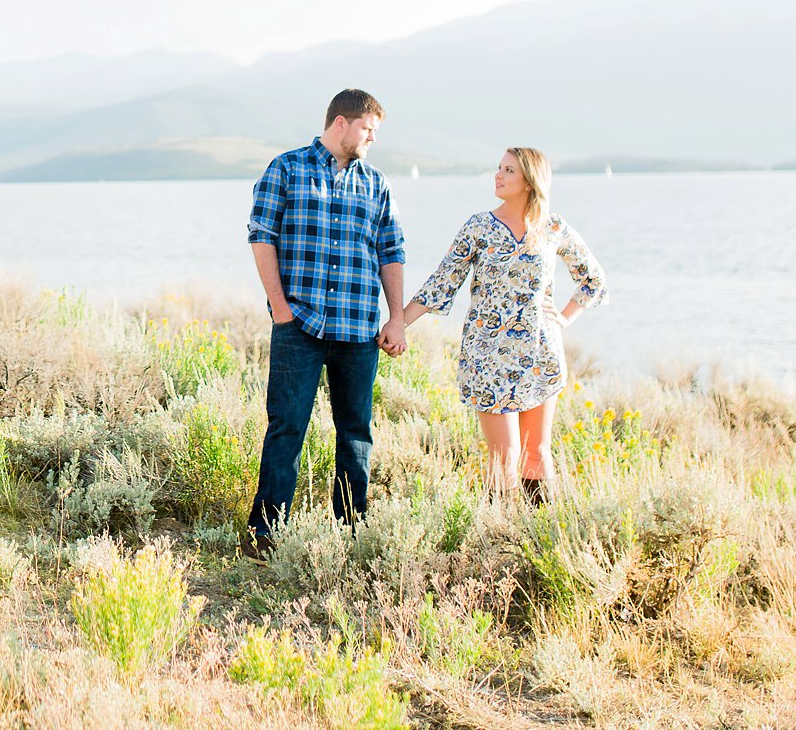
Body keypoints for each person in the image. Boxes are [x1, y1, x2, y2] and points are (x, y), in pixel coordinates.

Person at [388, 148, 606, 503]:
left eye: (509, 170)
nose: (498, 175)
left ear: (529, 183)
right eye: (499, 168)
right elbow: (443, 282)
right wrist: (399, 323)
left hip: (540, 354)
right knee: (504, 456)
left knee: (536, 453)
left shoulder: (553, 228)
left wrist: (563, 317)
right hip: (488, 357)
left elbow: (592, 281)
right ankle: (499, 542)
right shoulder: (478, 227)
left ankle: (541, 542)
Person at [242, 88, 406, 555]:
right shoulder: (287, 169)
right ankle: (265, 535)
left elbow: (391, 253)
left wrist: (396, 318)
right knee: (286, 428)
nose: (372, 140)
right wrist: (279, 306)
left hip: (358, 331)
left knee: (356, 433)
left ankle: (350, 534)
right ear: (341, 124)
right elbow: (261, 235)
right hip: (300, 326)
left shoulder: (377, 185)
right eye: (368, 130)